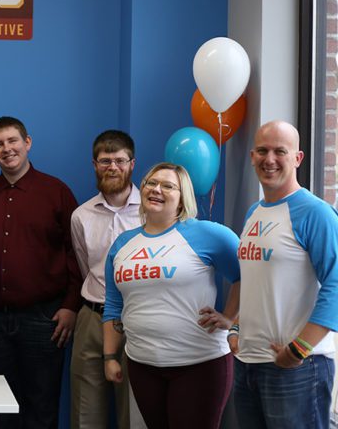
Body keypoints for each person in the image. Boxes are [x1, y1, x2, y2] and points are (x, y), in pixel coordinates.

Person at [102, 162, 240, 429]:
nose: (157, 190)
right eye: (151, 183)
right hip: (143, 365)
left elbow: (248, 274)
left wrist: (230, 319)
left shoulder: (207, 234)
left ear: (182, 197)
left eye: (168, 186)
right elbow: (114, 305)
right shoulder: (122, 244)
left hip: (200, 364)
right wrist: (109, 357)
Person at [0, 116, 82, 429]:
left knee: (41, 406)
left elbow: (77, 254)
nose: (7, 149)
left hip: (45, 319)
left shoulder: (56, 191)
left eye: (12, 141)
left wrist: (70, 306)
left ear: (27, 143)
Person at [231, 121, 338, 429]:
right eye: (263, 151)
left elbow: (335, 283)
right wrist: (235, 328)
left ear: (298, 158)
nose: (270, 159)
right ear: (252, 156)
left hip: (297, 368)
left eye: (280, 151)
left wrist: (300, 348)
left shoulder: (315, 213)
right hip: (249, 364)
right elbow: (257, 281)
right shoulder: (254, 212)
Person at [69, 130, 144, 429]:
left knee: (134, 413)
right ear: (94, 165)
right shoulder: (81, 216)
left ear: (132, 164)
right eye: (104, 161)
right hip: (92, 318)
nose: (112, 167)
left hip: (137, 319)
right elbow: (85, 267)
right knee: (86, 413)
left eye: (119, 160)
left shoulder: (151, 212)